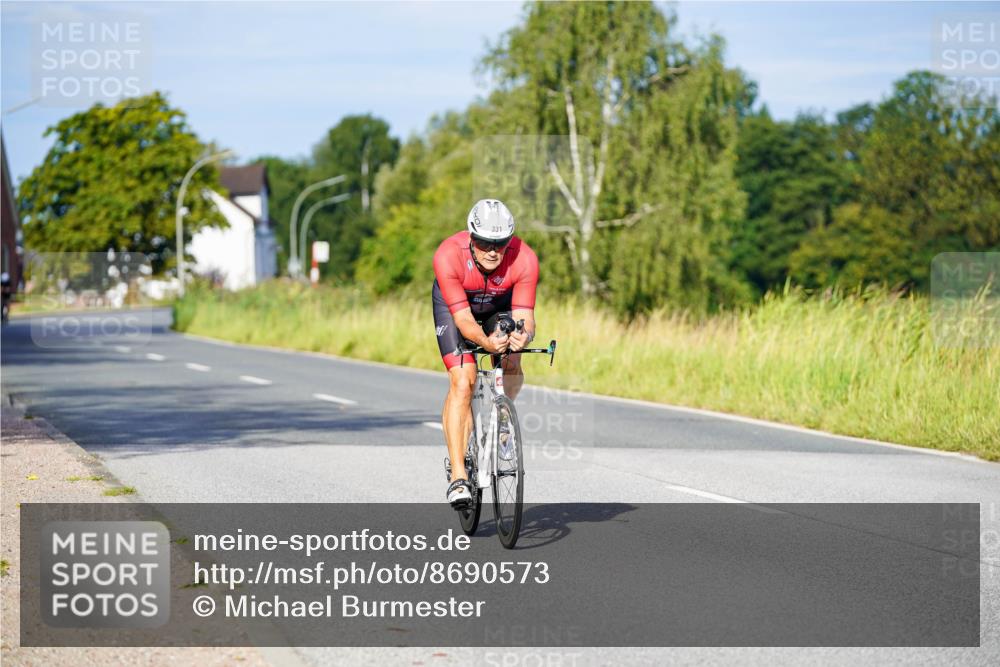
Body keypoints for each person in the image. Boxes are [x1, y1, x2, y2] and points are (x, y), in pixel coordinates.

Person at [432, 199, 538, 508]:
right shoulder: (449, 255)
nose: (492, 251)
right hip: (457, 308)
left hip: (498, 307)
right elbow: (464, 321)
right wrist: (486, 343)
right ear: (470, 237)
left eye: (500, 243)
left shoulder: (525, 258)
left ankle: (503, 419)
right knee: (463, 380)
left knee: (512, 360)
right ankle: (458, 477)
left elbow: (526, 316)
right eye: (483, 243)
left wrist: (523, 335)